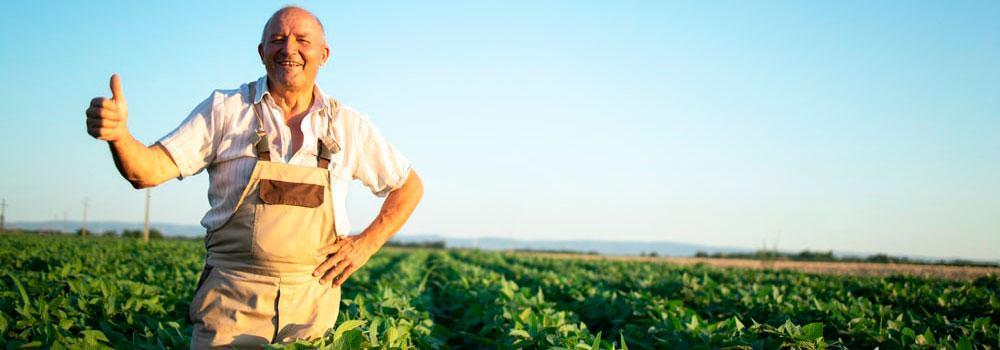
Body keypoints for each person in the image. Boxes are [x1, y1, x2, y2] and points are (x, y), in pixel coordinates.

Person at [84, 6, 423, 348]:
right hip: (230, 308)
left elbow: (409, 186)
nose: (289, 49)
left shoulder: (348, 125)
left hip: (312, 314)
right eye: (277, 39)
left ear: (324, 55)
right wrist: (119, 136)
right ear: (262, 53)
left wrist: (366, 245)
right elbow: (147, 171)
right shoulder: (226, 110)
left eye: (302, 40)